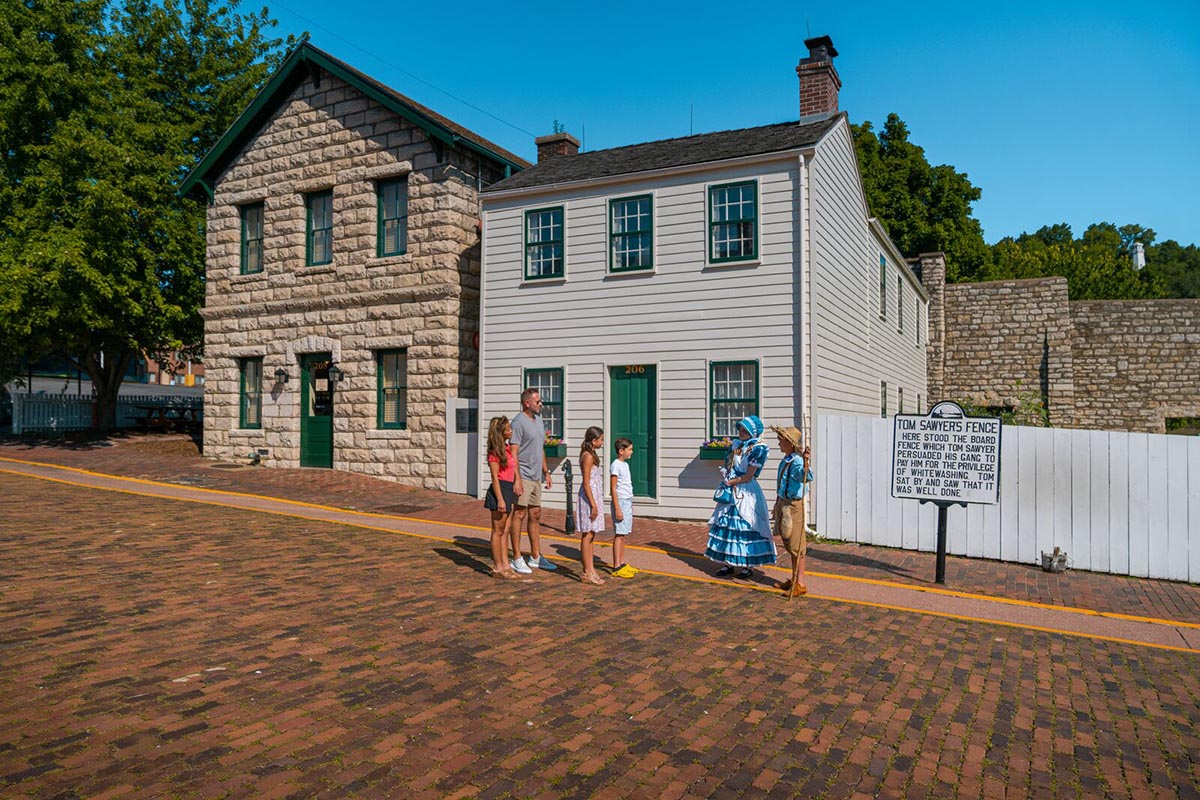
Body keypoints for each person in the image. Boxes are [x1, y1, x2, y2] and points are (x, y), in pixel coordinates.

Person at [705, 415, 776, 578]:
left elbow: (749, 475)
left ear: (753, 431)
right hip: (732, 488)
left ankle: (747, 565)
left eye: (745, 429)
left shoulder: (759, 448)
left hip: (746, 490)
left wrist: (733, 482)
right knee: (728, 525)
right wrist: (727, 475)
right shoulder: (736, 446)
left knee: (746, 525)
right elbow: (730, 465)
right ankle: (728, 562)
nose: (741, 431)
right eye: (740, 428)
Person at [509, 388, 557, 574]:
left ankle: (535, 557)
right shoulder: (518, 422)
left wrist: (546, 472)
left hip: (536, 476)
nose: (541, 404)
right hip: (523, 475)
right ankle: (516, 557)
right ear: (527, 403)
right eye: (537, 401)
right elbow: (513, 452)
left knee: (535, 514)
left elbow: (540, 448)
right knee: (519, 515)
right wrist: (517, 479)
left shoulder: (538, 421)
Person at [770, 425, 814, 598]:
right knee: (788, 543)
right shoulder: (787, 459)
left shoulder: (796, 461)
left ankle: (800, 583)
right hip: (784, 503)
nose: (779, 442)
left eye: (781, 439)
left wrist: (806, 462)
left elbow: (807, 476)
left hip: (793, 506)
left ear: (789, 442)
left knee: (796, 545)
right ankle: (795, 578)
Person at [483, 416, 522, 580]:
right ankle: (498, 566)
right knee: (497, 531)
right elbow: (494, 478)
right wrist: (499, 499)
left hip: (508, 488)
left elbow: (512, 470)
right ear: (500, 433)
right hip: (500, 490)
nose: (511, 431)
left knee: (505, 530)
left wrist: (517, 482)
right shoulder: (494, 453)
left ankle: (506, 564)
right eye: (508, 429)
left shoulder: (507, 449)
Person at [576, 426, 607, 585]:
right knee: (587, 534)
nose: (603, 442)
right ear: (594, 441)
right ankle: (587, 571)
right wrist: (593, 505)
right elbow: (586, 483)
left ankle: (591, 569)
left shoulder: (592, 455)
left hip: (595, 496)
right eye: (601, 439)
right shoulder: (587, 456)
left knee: (592, 534)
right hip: (589, 498)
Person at [609, 438, 638, 578]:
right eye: (629, 449)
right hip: (620, 501)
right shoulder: (616, 465)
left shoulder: (625, 465)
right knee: (619, 534)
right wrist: (617, 508)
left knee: (624, 534)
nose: (631, 452)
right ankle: (616, 566)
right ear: (621, 451)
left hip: (627, 501)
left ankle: (622, 562)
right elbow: (613, 488)